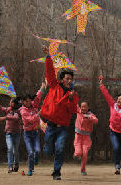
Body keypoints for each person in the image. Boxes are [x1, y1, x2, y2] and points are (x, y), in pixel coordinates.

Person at [39, 45, 79, 180]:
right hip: (50, 125)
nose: (69, 81)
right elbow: (50, 71)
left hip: (63, 127)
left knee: (60, 148)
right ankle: (47, 147)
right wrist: (48, 56)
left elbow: (73, 111)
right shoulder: (54, 85)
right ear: (62, 79)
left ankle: (57, 171)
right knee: (48, 150)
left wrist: (71, 99)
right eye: (67, 78)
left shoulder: (73, 94)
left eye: (71, 79)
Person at [99, 75, 121, 175]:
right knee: (116, 148)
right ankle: (117, 166)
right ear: (117, 100)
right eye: (119, 100)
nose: (120, 102)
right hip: (113, 131)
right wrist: (102, 85)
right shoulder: (113, 105)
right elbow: (106, 95)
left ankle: (118, 162)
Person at [20, 82, 46, 176]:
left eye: (29, 101)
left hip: (35, 133)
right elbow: (29, 120)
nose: (28, 102)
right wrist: (37, 115)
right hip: (27, 134)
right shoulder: (22, 111)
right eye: (26, 101)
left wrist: (42, 87)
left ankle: (35, 157)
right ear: (23, 102)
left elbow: (38, 96)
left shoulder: (34, 105)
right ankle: (30, 169)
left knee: (37, 150)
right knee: (30, 152)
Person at [0, 97, 22, 173]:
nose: (10, 103)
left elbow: (15, 118)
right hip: (9, 134)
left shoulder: (18, 111)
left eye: (11, 102)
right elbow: (1, 108)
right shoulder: (8, 109)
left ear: (14, 103)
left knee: (15, 151)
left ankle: (16, 164)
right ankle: (10, 167)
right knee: (10, 149)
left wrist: (4, 118)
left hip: (17, 134)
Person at [73, 101, 98, 176]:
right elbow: (74, 103)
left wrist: (89, 117)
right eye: (82, 106)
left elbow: (96, 120)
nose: (83, 108)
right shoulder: (78, 111)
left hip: (86, 137)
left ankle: (83, 169)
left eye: (85, 107)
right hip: (78, 135)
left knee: (85, 153)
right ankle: (76, 155)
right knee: (79, 152)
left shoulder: (91, 115)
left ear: (88, 107)